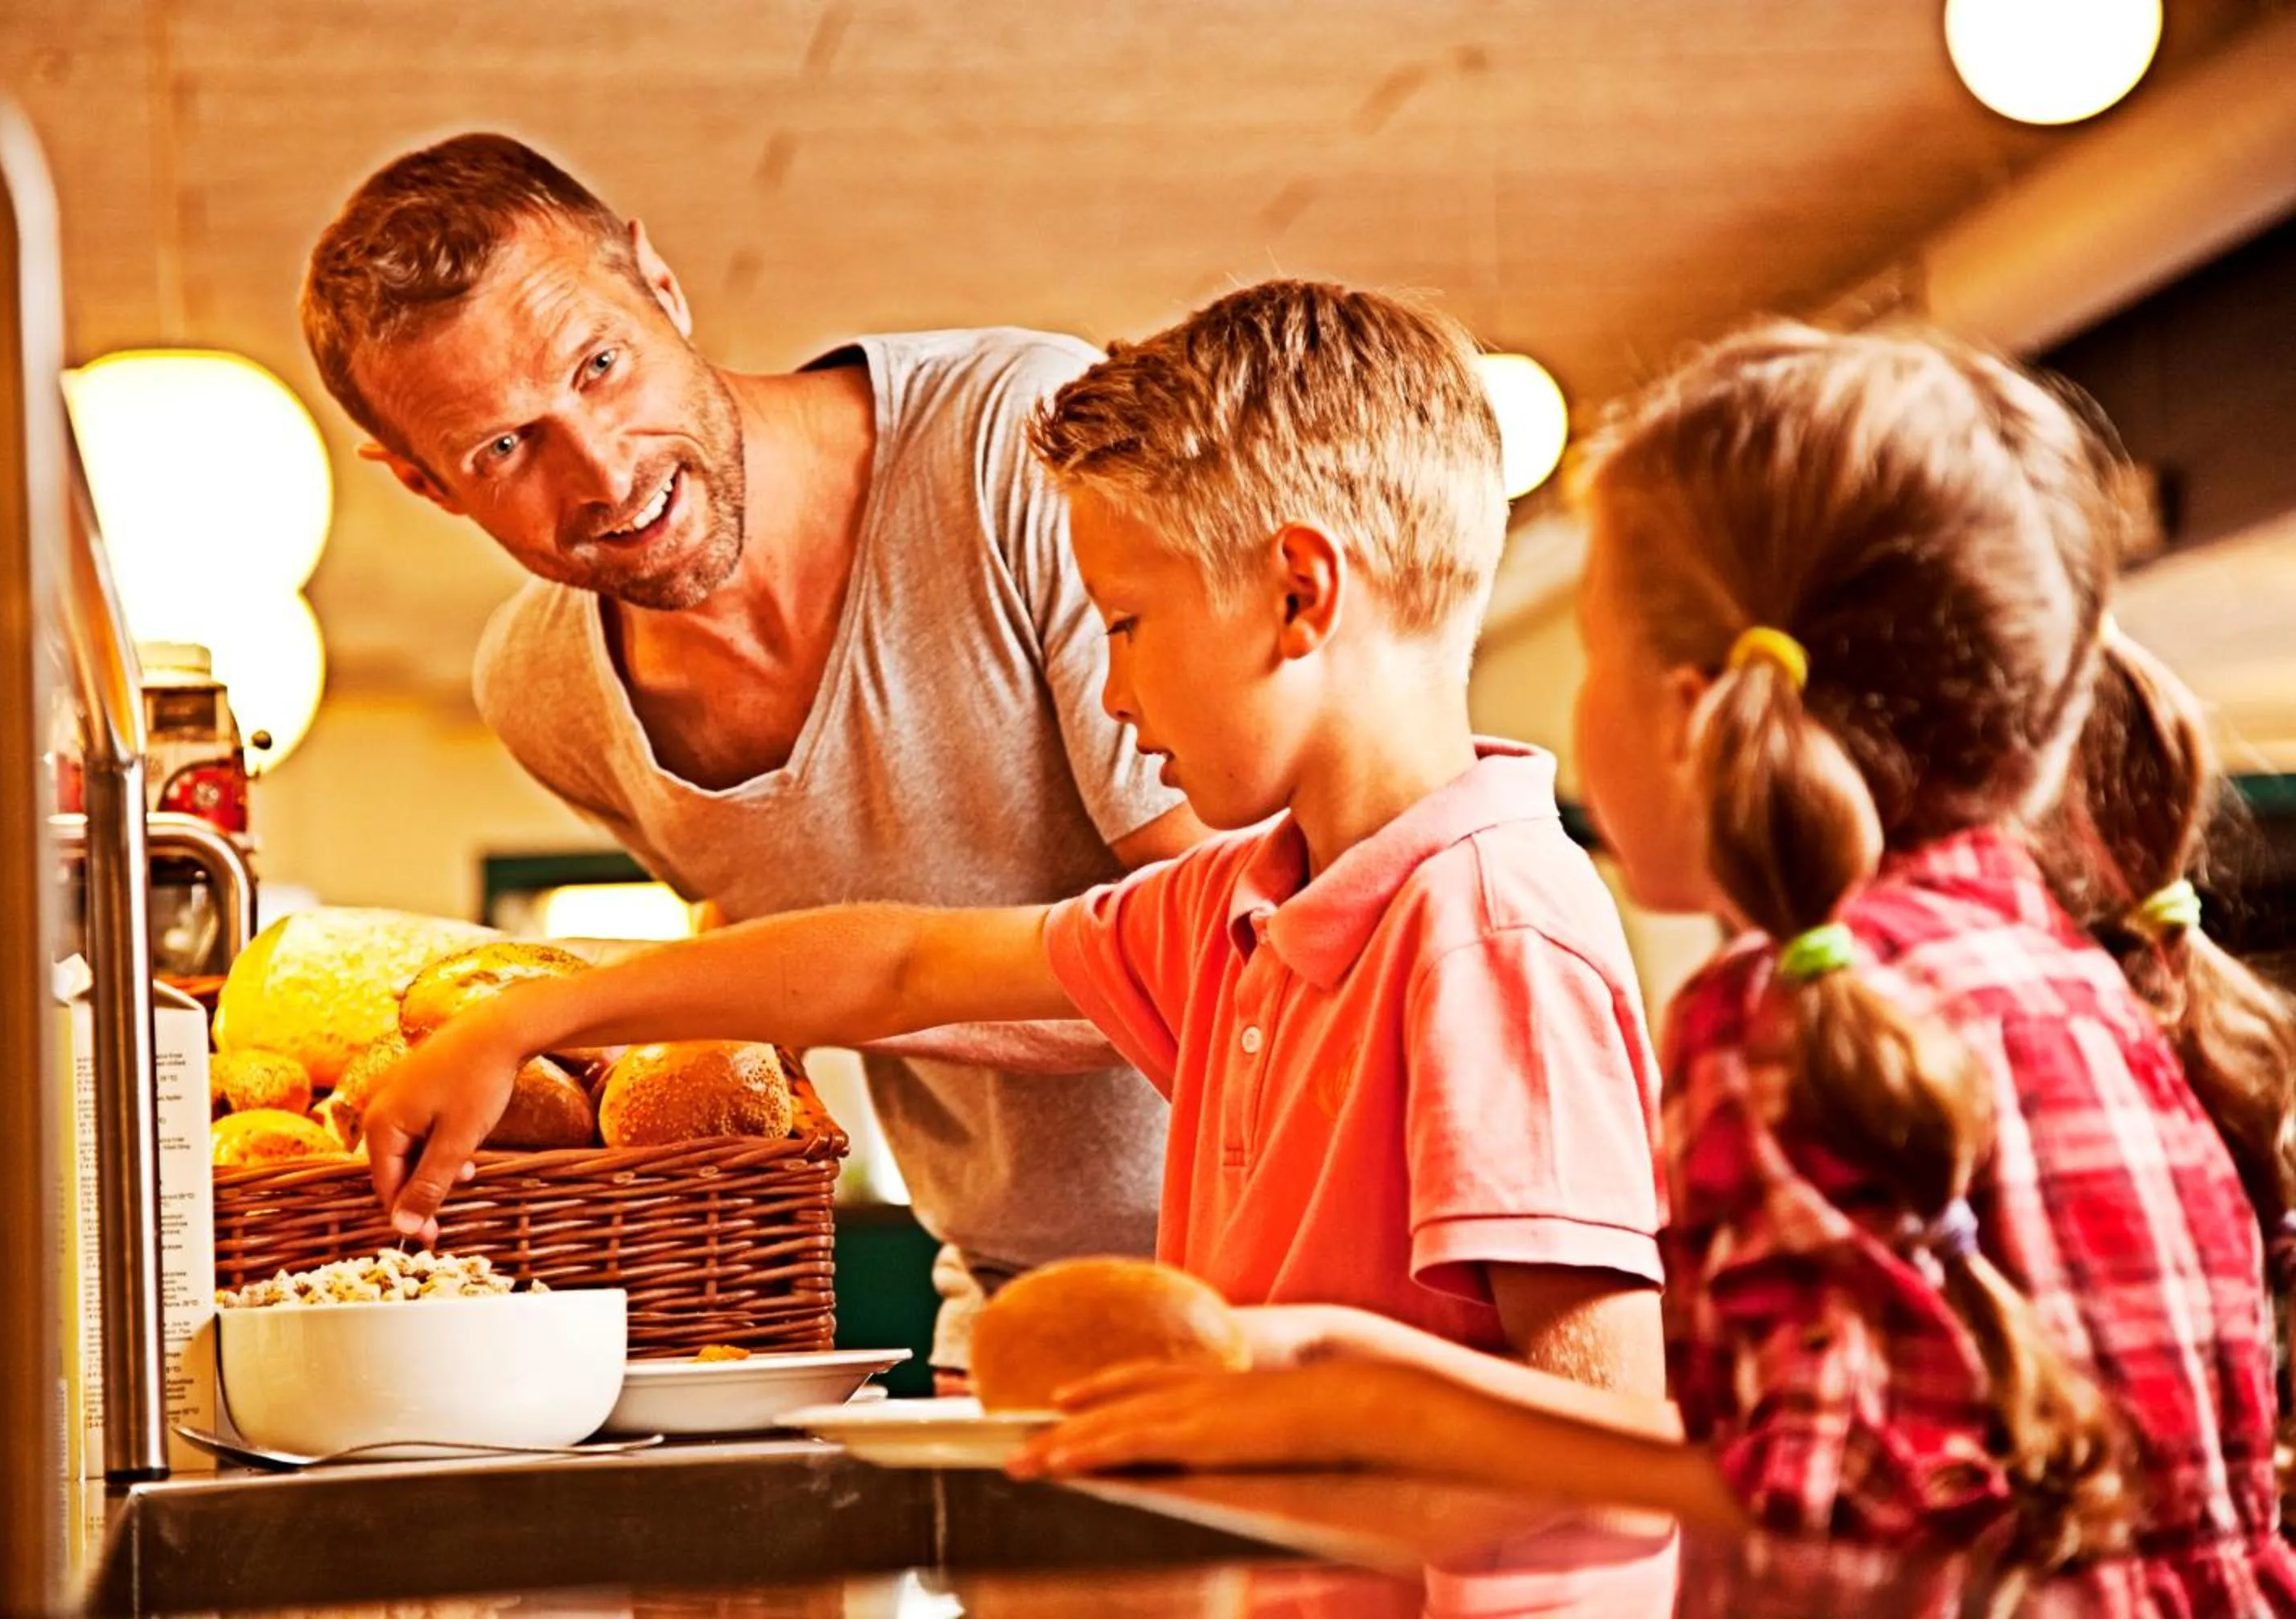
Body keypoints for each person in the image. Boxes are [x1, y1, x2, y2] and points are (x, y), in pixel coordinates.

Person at [1011, 324, 2296, 1613]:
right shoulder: (2074, 972)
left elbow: (1816, 1489)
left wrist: (1376, 1398)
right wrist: (1351, 1376)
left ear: (1701, 705)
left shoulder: (1780, 1019)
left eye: (1592, 649)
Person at [363, 279, 1672, 1391]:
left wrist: (1271, 1387)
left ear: (1297, 594)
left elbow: (1604, 1442)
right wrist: (525, 1023)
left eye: (1127, 625)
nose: (1106, 691)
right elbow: (893, 968)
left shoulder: (1492, 935)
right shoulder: (1230, 916)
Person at [299, 132, 1209, 1379]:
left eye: (602, 365)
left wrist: (573, 1000)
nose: (606, 472)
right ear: (423, 484)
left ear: (661, 288)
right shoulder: (544, 690)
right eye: (505, 448)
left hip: (1290, 1276)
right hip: (1004, 1307)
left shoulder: (1024, 449)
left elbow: (1215, 964)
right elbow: (754, 982)